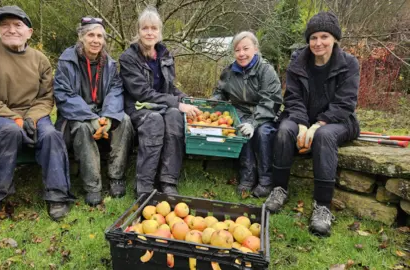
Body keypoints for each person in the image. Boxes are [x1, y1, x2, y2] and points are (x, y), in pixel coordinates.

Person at [0, 5, 75, 222]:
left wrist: (31, 118)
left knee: (52, 136)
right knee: (9, 132)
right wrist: (14, 119)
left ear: (29, 32)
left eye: (18, 25)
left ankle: (57, 194)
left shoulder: (40, 59)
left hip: (33, 114)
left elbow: (46, 97)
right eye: (5, 25)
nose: (12, 30)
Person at [265, 12, 360, 236]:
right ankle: (279, 189)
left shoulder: (349, 64)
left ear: (335, 39)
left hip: (338, 120)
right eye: (313, 37)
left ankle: (322, 206)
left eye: (324, 36)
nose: (318, 43)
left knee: (324, 136)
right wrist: (300, 123)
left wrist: (318, 124)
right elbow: (293, 98)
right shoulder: (298, 62)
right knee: (284, 130)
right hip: (301, 115)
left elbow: (345, 102)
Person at [119, 7, 200, 198]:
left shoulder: (165, 55)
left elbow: (169, 88)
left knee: (174, 117)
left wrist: (184, 99)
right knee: (154, 120)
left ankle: (168, 181)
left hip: (161, 105)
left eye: (154, 28)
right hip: (138, 107)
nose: (149, 32)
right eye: (145, 28)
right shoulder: (128, 58)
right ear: (138, 31)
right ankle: (144, 186)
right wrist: (177, 103)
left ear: (159, 32)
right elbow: (143, 93)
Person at [53, 17, 133, 206]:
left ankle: (116, 177)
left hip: (103, 112)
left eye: (100, 36)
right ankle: (93, 186)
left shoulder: (110, 64)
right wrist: (91, 119)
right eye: (90, 35)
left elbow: (116, 90)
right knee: (82, 128)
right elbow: (64, 96)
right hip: (77, 114)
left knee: (126, 120)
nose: (95, 40)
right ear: (81, 37)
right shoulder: (67, 61)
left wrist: (109, 117)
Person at [211, 31, 282, 199]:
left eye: (246, 48)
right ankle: (247, 178)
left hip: (266, 113)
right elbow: (220, 92)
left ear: (255, 49)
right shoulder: (229, 71)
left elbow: (271, 100)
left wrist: (254, 122)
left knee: (262, 133)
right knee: (240, 129)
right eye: (237, 50)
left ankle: (265, 180)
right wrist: (214, 101)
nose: (241, 53)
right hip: (240, 112)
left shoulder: (266, 71)